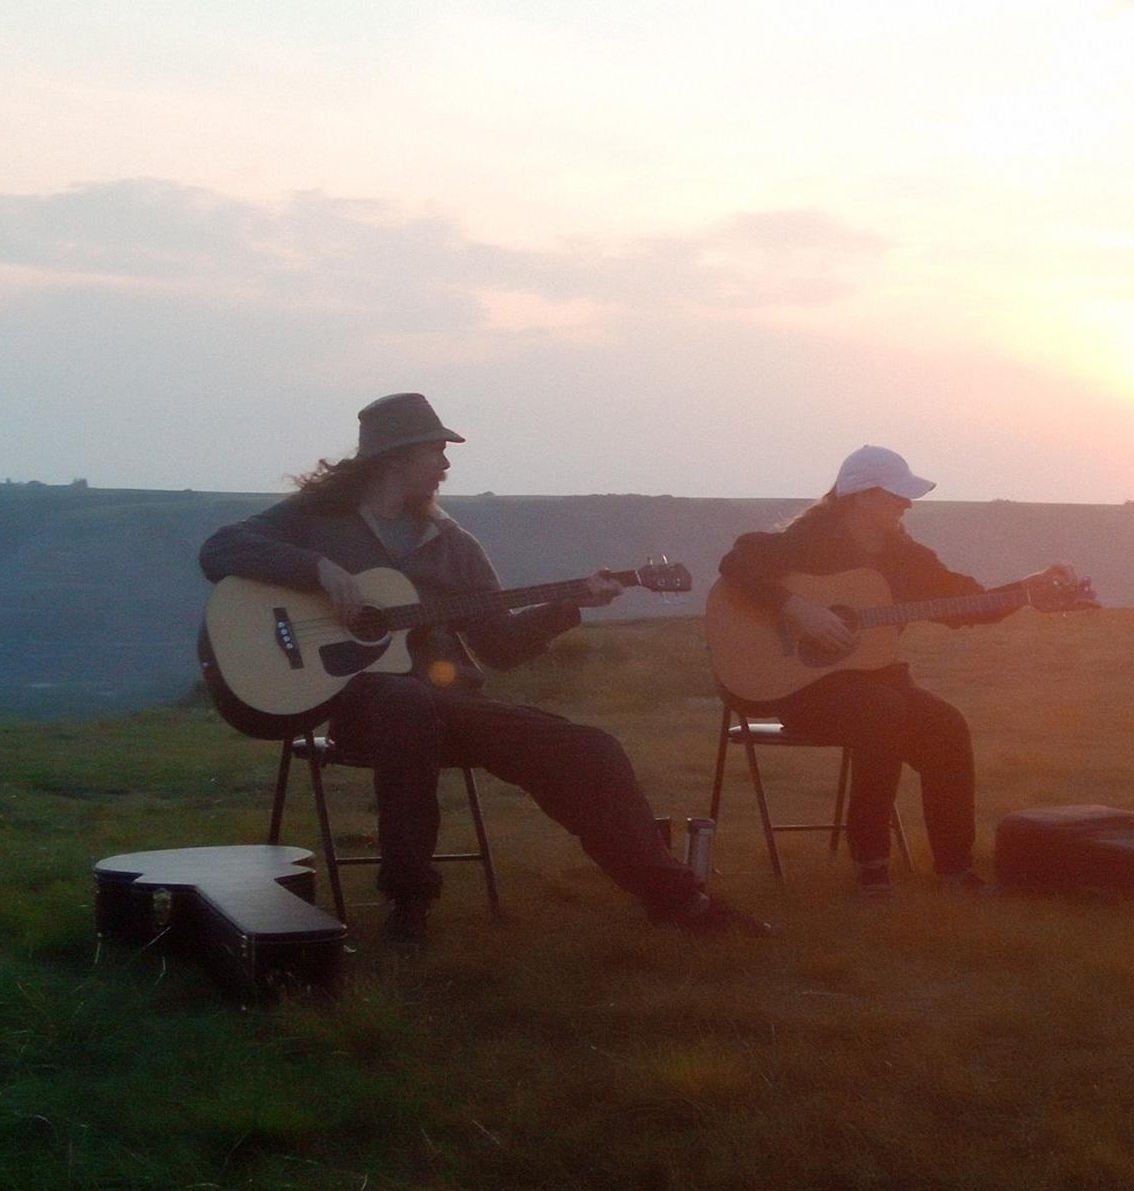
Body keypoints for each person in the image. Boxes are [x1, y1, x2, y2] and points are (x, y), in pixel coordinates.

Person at [199, 392, 769, 942]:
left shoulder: (454, 546)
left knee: (587, 747)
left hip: (448, 708)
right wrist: (317, 568)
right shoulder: (318, 519)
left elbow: (499, 647)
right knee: (405, 703)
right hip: (354, 707)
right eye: (435, 450)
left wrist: (570, 606)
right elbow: (221, 548)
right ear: (396, 457)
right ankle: (410, 899)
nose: (446, 463)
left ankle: (675, 899)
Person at [715, 445, 1073, 897]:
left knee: (946, 726)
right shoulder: (805, 541)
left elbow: (964, 601)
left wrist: (1027, 591)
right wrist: (797, 609)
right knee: (880, 712)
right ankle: (871, 864)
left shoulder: (905, 555)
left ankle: (955, 871)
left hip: (879, 684)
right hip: (802, 691)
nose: (908, 503)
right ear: (862, 496)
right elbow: (736, 564)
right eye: (896, 495)